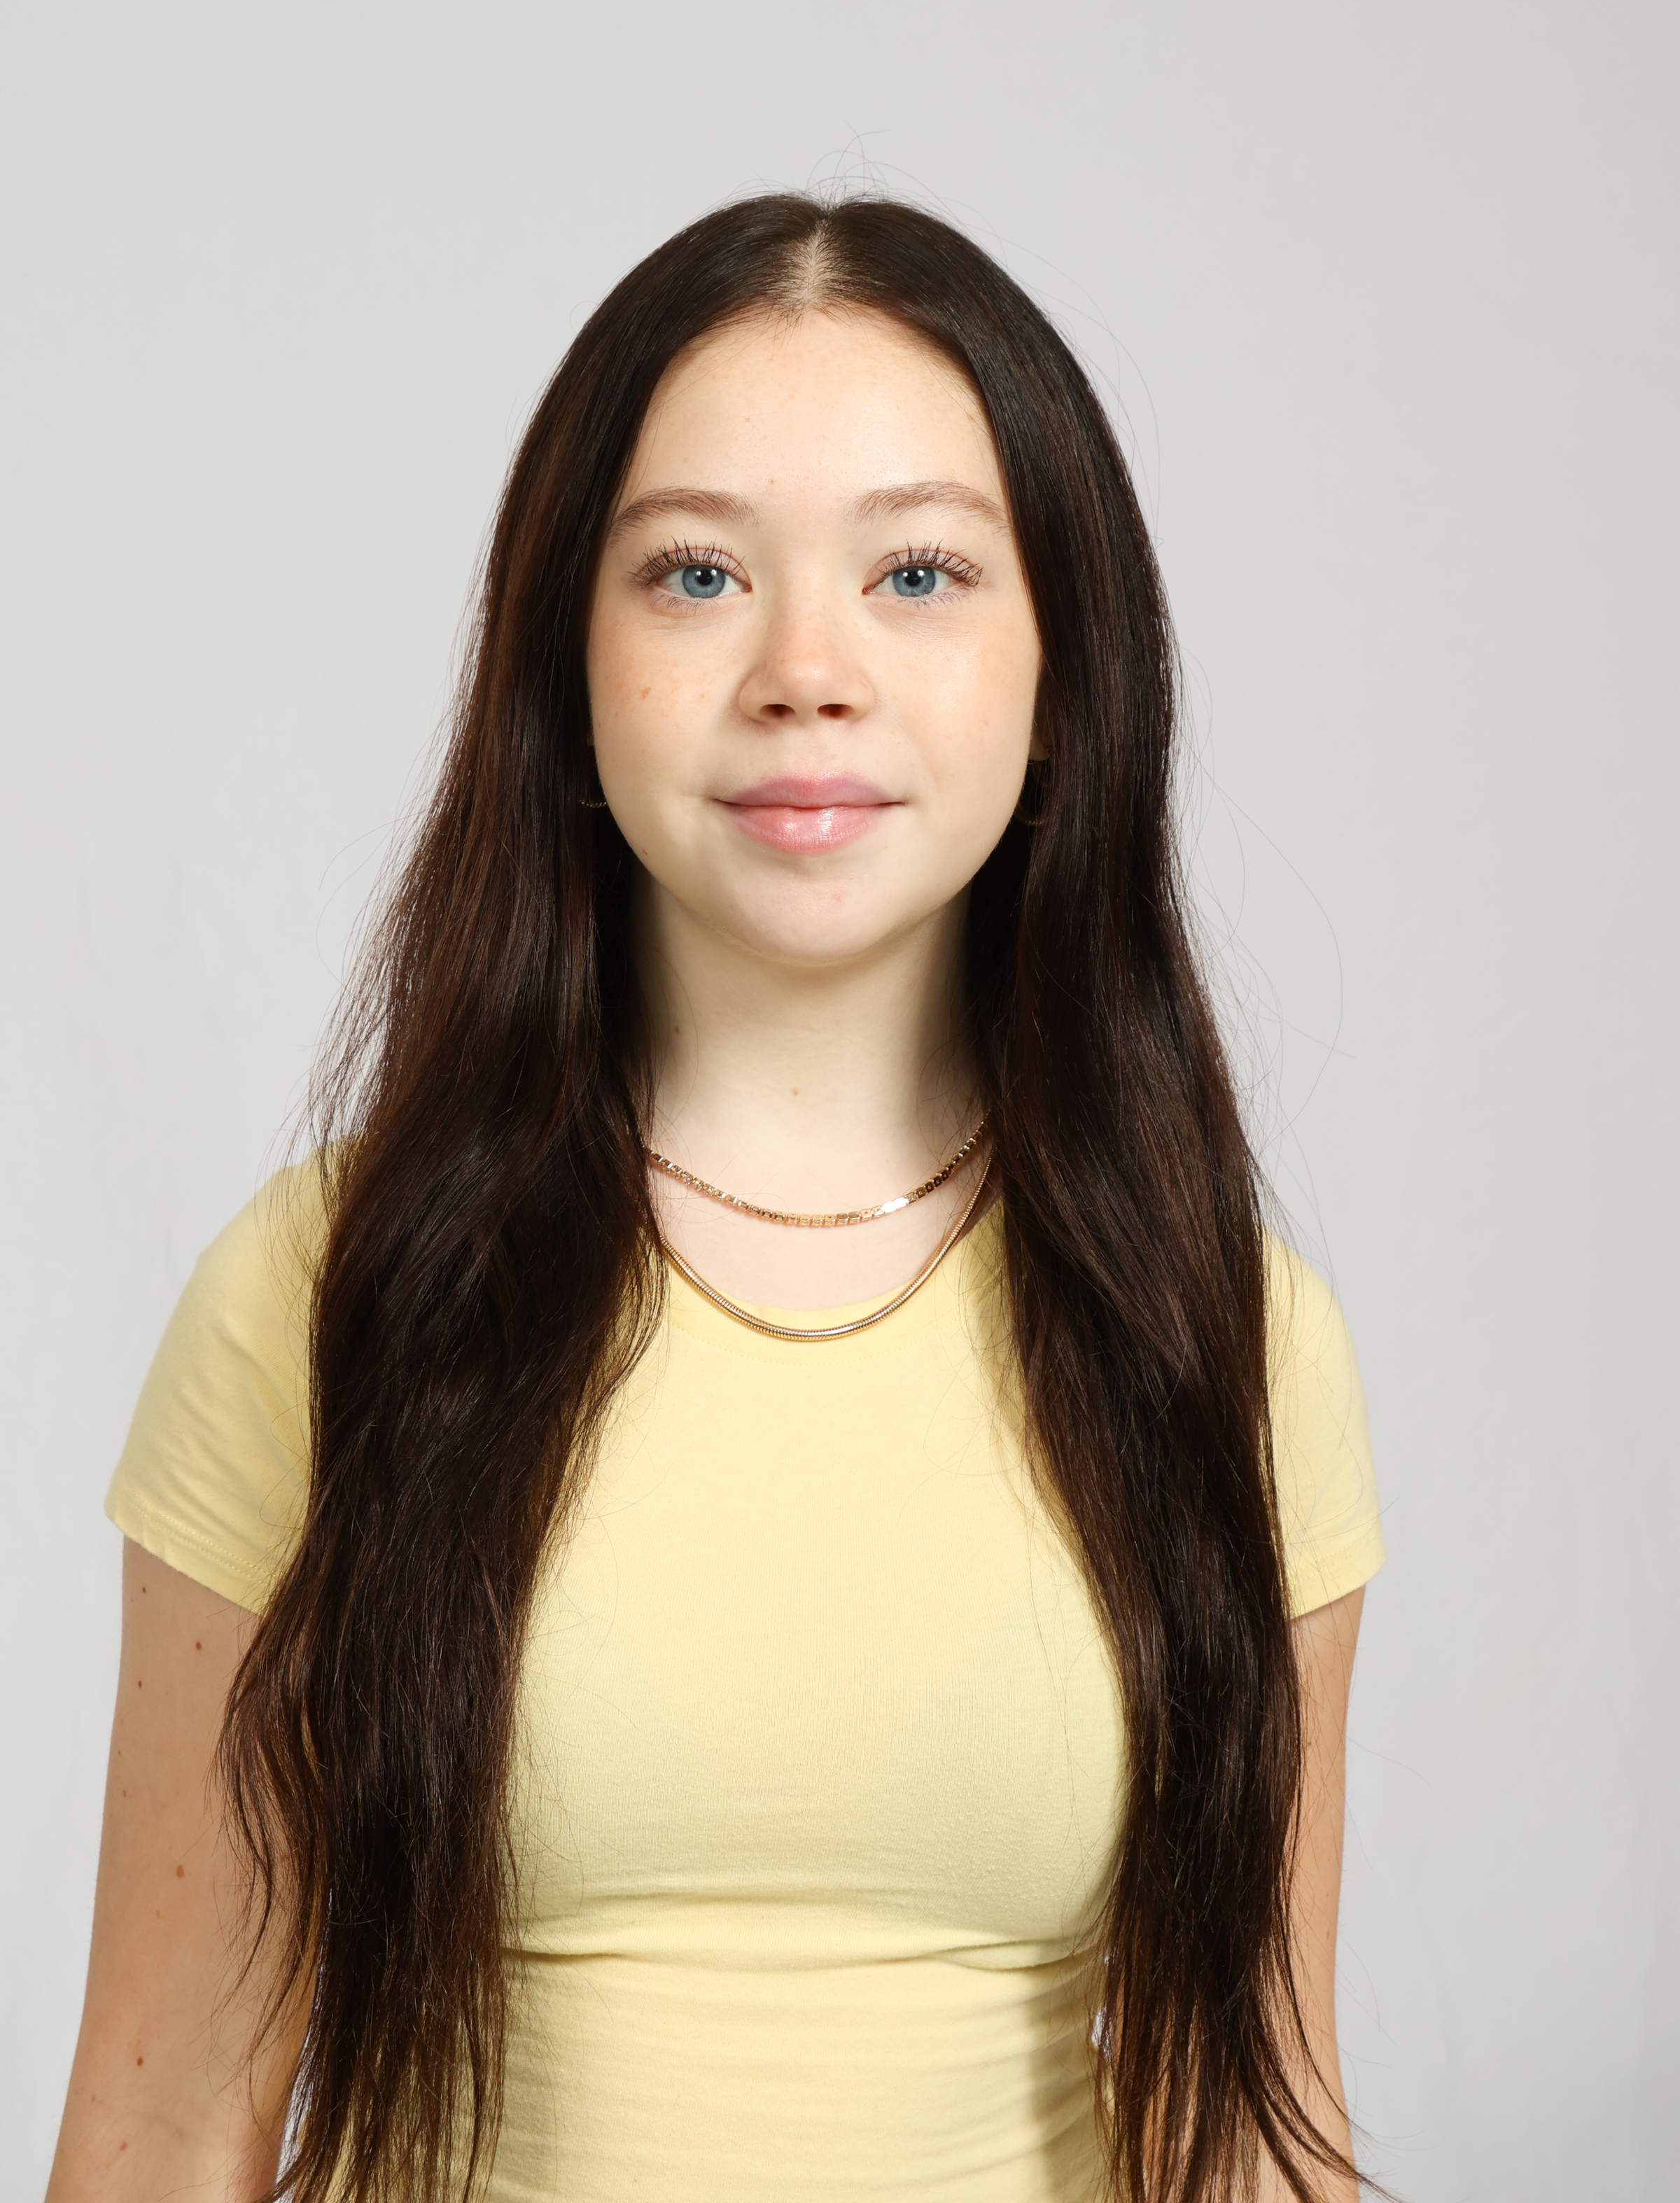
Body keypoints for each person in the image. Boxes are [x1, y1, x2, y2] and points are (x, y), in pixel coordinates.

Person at [47, 195, 1385, 2203]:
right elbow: (163, 2126)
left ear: (1065, 665)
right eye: (696, 573)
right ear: (566, 663)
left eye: (920, 571)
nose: (806, 672)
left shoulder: (1227, 1331)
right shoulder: (323, 1290)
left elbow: (1254, 2135)